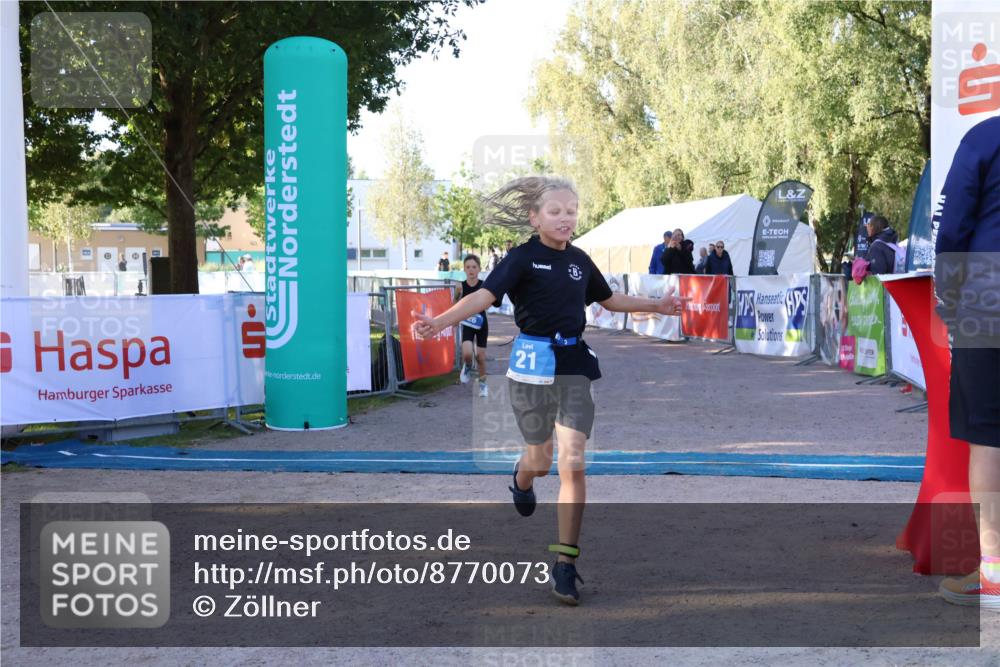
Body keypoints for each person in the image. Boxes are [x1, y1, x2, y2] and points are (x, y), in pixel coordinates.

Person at [412, 176, 687, 605]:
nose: (565, 218)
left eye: (571, 211)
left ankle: (565, 564)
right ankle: (522, 478)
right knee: (540, 462)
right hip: (531, 368)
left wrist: (658, 305)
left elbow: (609, 300)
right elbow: (483, 297)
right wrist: (440, 322)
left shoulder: (579, 260)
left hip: (574, 364)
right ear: (535, 218)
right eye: (555, 211)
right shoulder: (522, 258)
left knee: (573, 463)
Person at [935, 115, 1000, 610]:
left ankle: (995, 574)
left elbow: (953, 227)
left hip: (988, 301)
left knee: (990, 437)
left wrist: (948, 299)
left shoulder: (984, 137)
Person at [457, 254, 490, 398]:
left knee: (480, 357)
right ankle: (468, 366)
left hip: (481, 323)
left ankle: (483, 385)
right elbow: (454, 305)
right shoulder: (460, 286)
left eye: (474, 267)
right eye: (468, 267)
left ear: (479, 269)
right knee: (467, 354)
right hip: (467, 323)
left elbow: (488, 304)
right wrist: (454, 319)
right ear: (464, 269)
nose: (471, 270)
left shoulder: (484, 286)